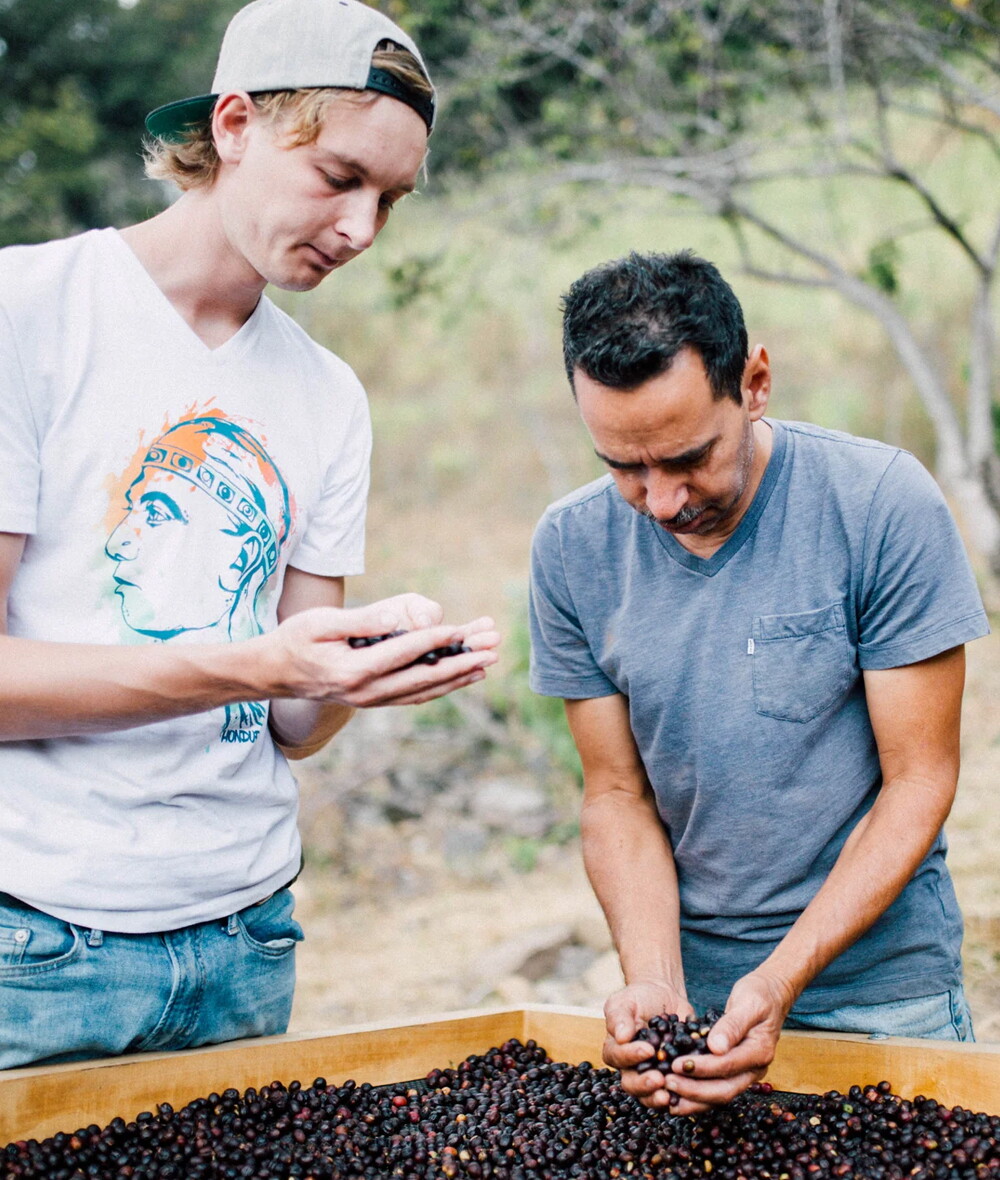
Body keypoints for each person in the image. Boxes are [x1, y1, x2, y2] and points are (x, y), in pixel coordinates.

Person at [0, 0, 500, 1069]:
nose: (362, 230)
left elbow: (289, 723)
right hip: (39, 940)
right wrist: (251, 660)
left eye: (390, 200)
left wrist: (362, 667)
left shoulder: (329, 396)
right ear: (234, 126)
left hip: (247, 936)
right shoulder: (29, 313)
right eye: (339, 179)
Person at [528, 249, 989, 1116]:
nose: (661, 500)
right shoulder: (571, 548)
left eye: (687, 457)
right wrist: (656, 981)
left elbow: (919, 780)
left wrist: (779, 982)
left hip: (884, 995)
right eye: (625, 466)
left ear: (756, 381)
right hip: (699, 1009)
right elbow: (618, 794)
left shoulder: (880, 504)